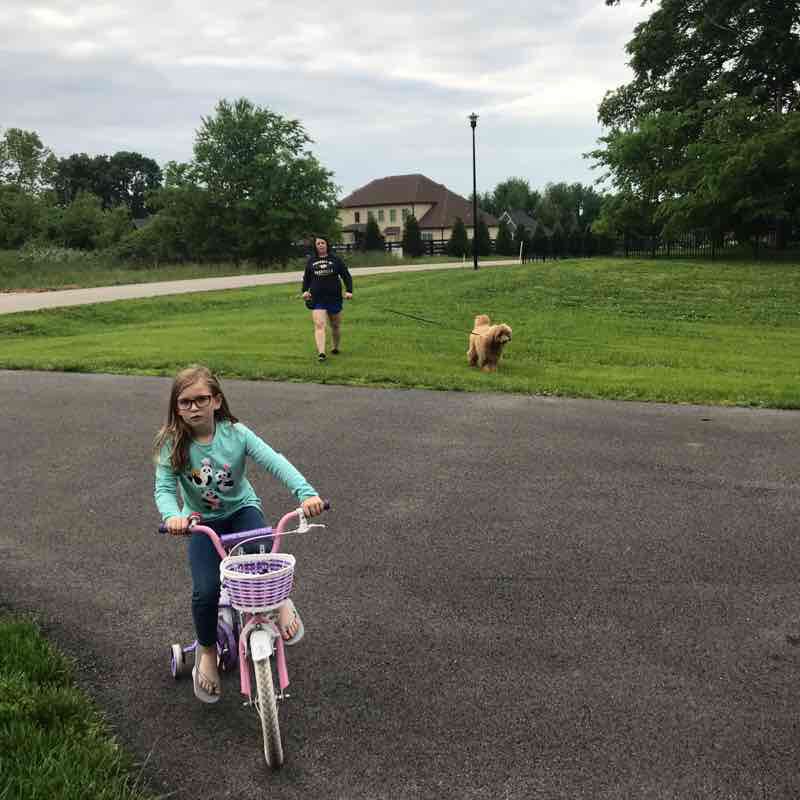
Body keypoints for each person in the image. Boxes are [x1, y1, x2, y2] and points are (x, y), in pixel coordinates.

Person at [153, 364, 324, 704]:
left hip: (241, 509)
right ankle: (205, 651)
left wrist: (305, 494)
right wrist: (173, 516)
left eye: (200, 399)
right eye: (183, 402)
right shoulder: (172, 443)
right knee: (205, 590)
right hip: (201, 521)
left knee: (264, 559)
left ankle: (280, 602)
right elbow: (164, 489)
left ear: (216, 400)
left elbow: (274, 461)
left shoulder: (236, 434)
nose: (192, 408)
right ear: (176, 406)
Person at [302, 236, 353, 362]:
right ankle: (321, 353)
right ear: (315, 246)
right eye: (318, 243)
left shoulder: (336, 260)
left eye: (322, 243)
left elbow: (346, 276)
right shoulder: (311, 261)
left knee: (335, 325)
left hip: (334, 297)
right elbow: (306, 279)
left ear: (327, 245)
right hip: (317, 298)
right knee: (319, 324)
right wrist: (304, 291)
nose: (320, 245)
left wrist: (349, 291)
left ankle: (335, 347)